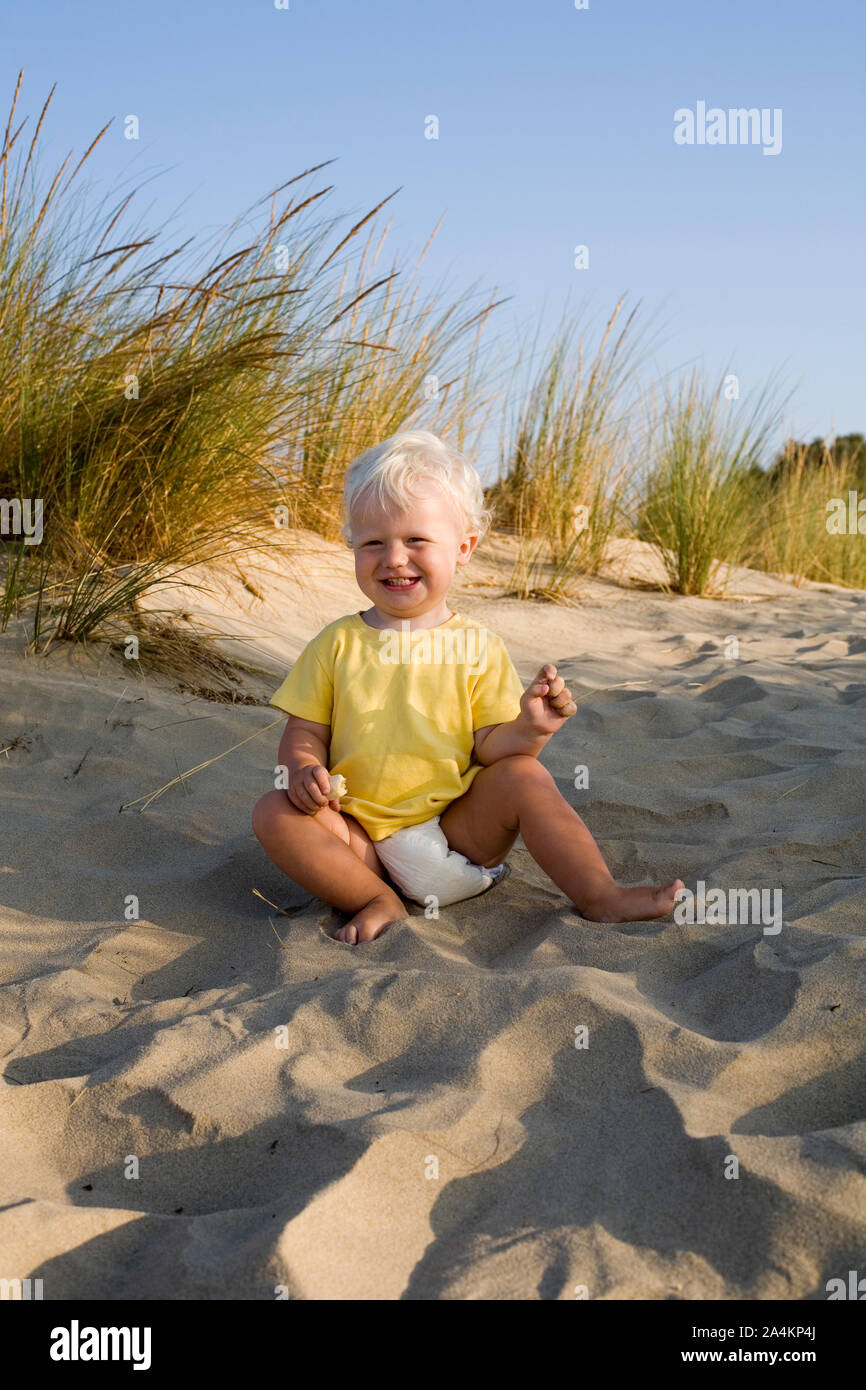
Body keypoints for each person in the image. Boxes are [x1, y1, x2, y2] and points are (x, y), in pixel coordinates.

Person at [252, 430, 683, 944]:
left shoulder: (476, 646)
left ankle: (600, 895)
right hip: (358, 842)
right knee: (275, 810)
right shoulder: (337, 643)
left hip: (459, 836)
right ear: (353, 547)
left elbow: (491, 747)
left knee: (523, 774)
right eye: (373, 542)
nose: (393, 557)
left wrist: (531, 728)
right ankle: (377, 899)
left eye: (415, 540)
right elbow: (305, 730)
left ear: (463, 548)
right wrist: (303, 769)